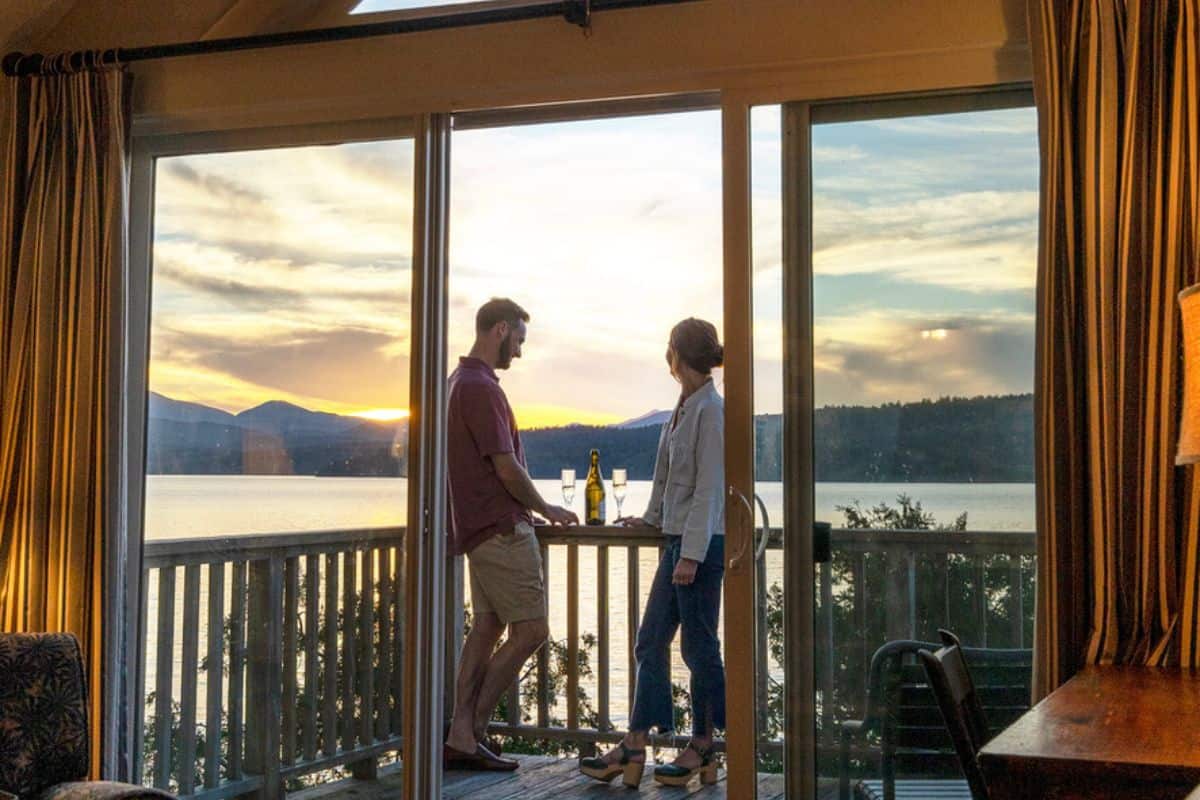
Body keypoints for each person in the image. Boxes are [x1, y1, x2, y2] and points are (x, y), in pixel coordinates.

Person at [579, 317, 727, 789]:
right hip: (676, 539)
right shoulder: (684, 408)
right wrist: (651, 520)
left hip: (699, 546)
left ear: (676, 356)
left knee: (698, 648)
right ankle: (636, 744)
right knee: (650, 640)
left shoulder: (711, 411)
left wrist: (693, 555)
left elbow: (708, 489)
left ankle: (704, 746)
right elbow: (671, 483)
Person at [443, 297, 578, 771]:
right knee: (532, 631)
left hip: (475, 531)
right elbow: (506, 467)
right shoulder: (480, 388)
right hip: (501, 530)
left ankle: (462, 732)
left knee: (486, 628)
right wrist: (546, 509)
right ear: (499, 330)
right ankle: (470, 730)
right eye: (518, 340)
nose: (518, 352)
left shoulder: (455, 383)